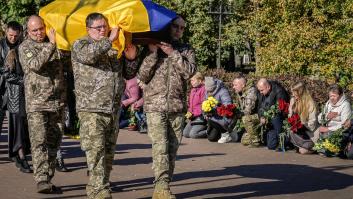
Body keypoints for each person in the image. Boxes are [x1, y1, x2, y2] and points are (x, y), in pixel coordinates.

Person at [71, 13, 138, 199]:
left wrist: (131, 59)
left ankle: (101, 185)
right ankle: (97, 191)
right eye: (98, 27)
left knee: (108, 152)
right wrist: (109, 39)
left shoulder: (111, 48)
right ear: (88, 29)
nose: (103, 30)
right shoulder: (81, 44)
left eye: (105, 26)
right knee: (96, 151)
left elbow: (128, 74)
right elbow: (90, 56)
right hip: (91, 108)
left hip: (112, 108)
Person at [138, 15, 196, 199]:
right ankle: (161, 188)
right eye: (175, 26)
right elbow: (142, 76)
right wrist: (153, 53)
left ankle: (164, 184)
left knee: (172, 149)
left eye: (182, 28)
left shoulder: (186, 50)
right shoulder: (151, 47)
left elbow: (189, 72)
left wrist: (173, 53)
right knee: (160, 146)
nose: (179, 30)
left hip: (176, 106)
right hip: (155, 105)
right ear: (167, 27)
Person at [19, 15, 65, 193]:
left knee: (54, 143)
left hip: (57, 103)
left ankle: (48, 178)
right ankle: (41, 179)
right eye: (34, 30)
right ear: (28, 31)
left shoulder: (56, 44)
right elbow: (35, 64)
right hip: (37, 104)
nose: (39, 33)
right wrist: (51, 44)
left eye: (41, 28)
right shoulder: (25, 47)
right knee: (39, 143)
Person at [4, 46, 32, 173]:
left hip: (32, 97)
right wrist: (25, 81)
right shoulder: (13, 53)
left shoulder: (31, 51)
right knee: (19, 129)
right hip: (17, 97)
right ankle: (21, 156)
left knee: (28, 129)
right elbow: (8, 75)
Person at [0, 21, 23, 136]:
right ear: (6, 32)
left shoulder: (23, 46)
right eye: (10, 35)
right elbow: (3, 71)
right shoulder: (0, 45)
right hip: (2, 88)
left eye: (16, 35)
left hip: (16, 90)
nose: (13, 38)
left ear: (19, 34)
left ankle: (17, 152)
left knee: (16, 124)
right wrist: (23, 81)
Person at [256, 78, 289, 150]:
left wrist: (267, 117)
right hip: (269, 119)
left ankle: (282, 141)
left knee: (276, 117)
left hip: (279, 119)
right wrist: (261, 116)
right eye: (259, 90)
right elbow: (259, 107)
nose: (260, 92)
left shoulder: (279, 92)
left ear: (268, 87)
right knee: (271, 146)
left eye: (262, 90)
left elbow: (280, 109)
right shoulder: (262, 93)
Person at [288, 82, 318, 154]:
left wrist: (302, 124)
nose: (293, 95)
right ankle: (301, 146)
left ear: (300, 92)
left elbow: (312, 123)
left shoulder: (310, 103)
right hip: (299, 132)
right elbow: (290, 118)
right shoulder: (294, 101)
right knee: (290, 132)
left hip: (309, 133)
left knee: (302, 151)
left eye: (294, 92)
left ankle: (312, 147)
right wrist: (291, 108)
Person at [232, 75, 259, 145]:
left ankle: (256, 139)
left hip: (255, 117)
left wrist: (237, 113)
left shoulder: (251, 92)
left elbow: (248, 111)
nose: (233, 87)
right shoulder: (239, 92)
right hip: (244, 118)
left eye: (235, 85)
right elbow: (237, 105)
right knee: (238, 139)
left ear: (243, 85)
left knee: (244, 141)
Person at [204, 76, 233, 143]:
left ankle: (226, 134)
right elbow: (204, 103)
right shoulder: (206, 92)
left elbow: (227, 107)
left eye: (210, 90)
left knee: (211, 120)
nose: (209, 92)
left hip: (223, 117)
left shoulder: (223, 91)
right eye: (207, 90)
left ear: (214, 87)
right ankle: (221, 133)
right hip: (213, 117)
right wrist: (205, 112)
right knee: (211, 138)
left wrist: (215, 108)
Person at [183, 72, 207, 139]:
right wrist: (188, 115)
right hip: (193, 118)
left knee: (193, 135)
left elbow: (204, 105)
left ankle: (210, 131)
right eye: (191, 80)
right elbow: (191, 106)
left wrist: (195, 114)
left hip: (201, 117)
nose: (191, 82)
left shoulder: (204, 89)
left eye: (193, 80)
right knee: (185, 134)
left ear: (199, 80)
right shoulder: (193, 90)